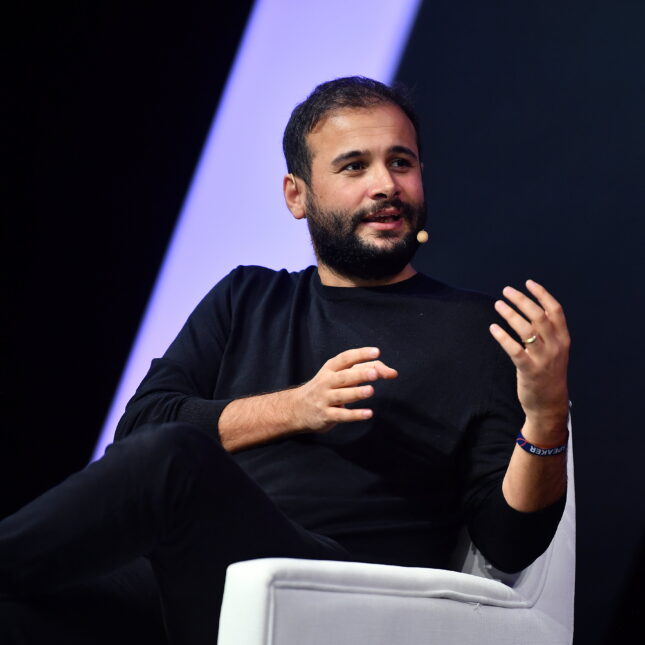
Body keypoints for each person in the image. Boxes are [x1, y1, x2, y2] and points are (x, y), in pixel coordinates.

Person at [0, 77, 570, 645]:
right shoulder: (246, 297)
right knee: (25, 607)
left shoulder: (479, 328)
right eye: (354, 167)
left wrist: (545, 416)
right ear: (297, 195)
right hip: (187, 574)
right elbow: (139, 431)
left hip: (333, 590)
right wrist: (297, 408)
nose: (385, 185)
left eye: (401, 162)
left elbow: (509, 543)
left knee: (176, 457)